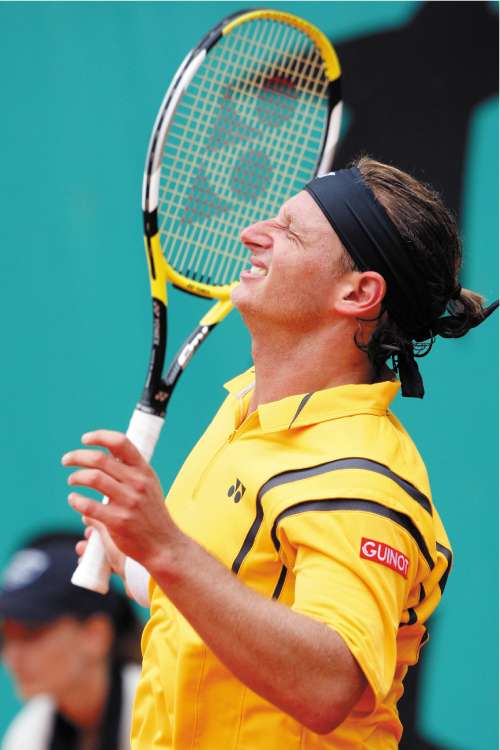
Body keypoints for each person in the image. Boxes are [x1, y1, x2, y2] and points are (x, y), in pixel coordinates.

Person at [63, 158, 497, 749]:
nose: (252, 233)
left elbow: (328, 683)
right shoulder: (246, 405)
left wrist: (166, 549)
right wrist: (135, 557)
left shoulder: (363, 478)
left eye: (290, 231)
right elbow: (240, 600)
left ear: (359, 293)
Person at [0, 531, 142, 750]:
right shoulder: (27, 736)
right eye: (5, 638)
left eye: (31, 631)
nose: (12, 657)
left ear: (96, 635)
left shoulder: (162, 712)